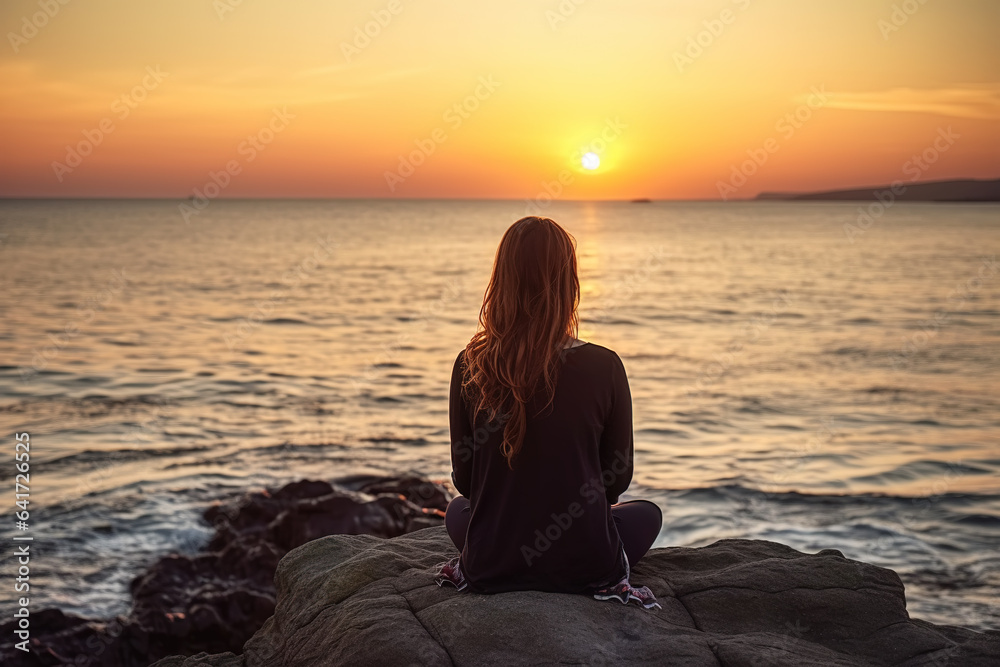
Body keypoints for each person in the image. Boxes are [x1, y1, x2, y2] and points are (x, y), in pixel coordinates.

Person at [435, 216, 663, 608]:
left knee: (457, 511)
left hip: (492, 566)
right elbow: (616, 480)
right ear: (569, 285)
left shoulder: (469, 364)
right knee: (646, 514)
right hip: (585, 566)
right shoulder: (605, 366)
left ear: (501, 281)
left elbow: (466, 482)